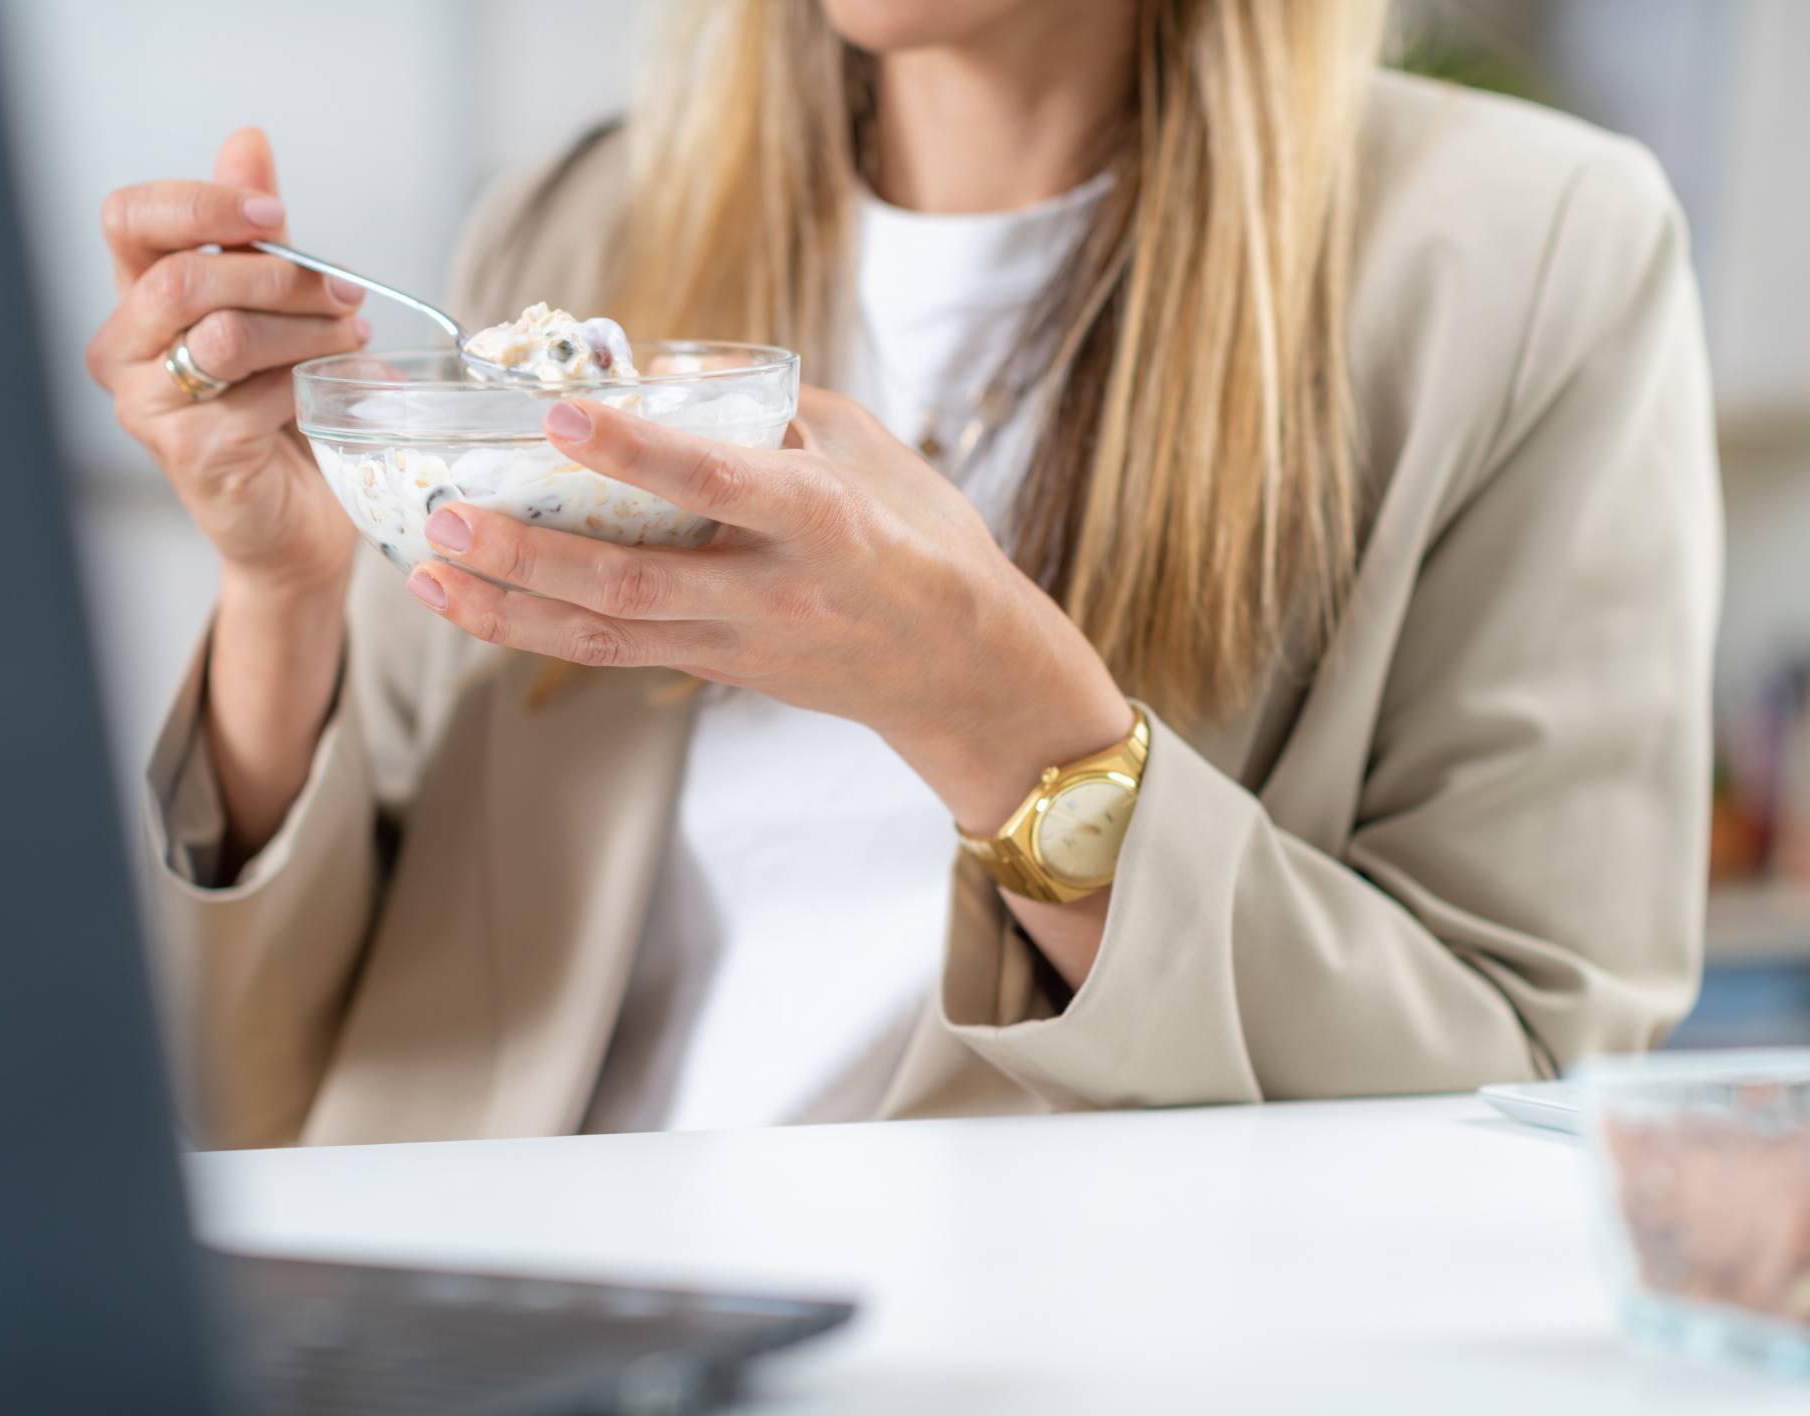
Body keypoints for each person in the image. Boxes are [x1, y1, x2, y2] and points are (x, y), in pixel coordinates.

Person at [85, 0, 1719, 1148]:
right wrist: (284, 601)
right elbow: (256, 1096)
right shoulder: (571, 231)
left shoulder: (1533, 256)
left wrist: (1019, 729)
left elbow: (1530, 1075)